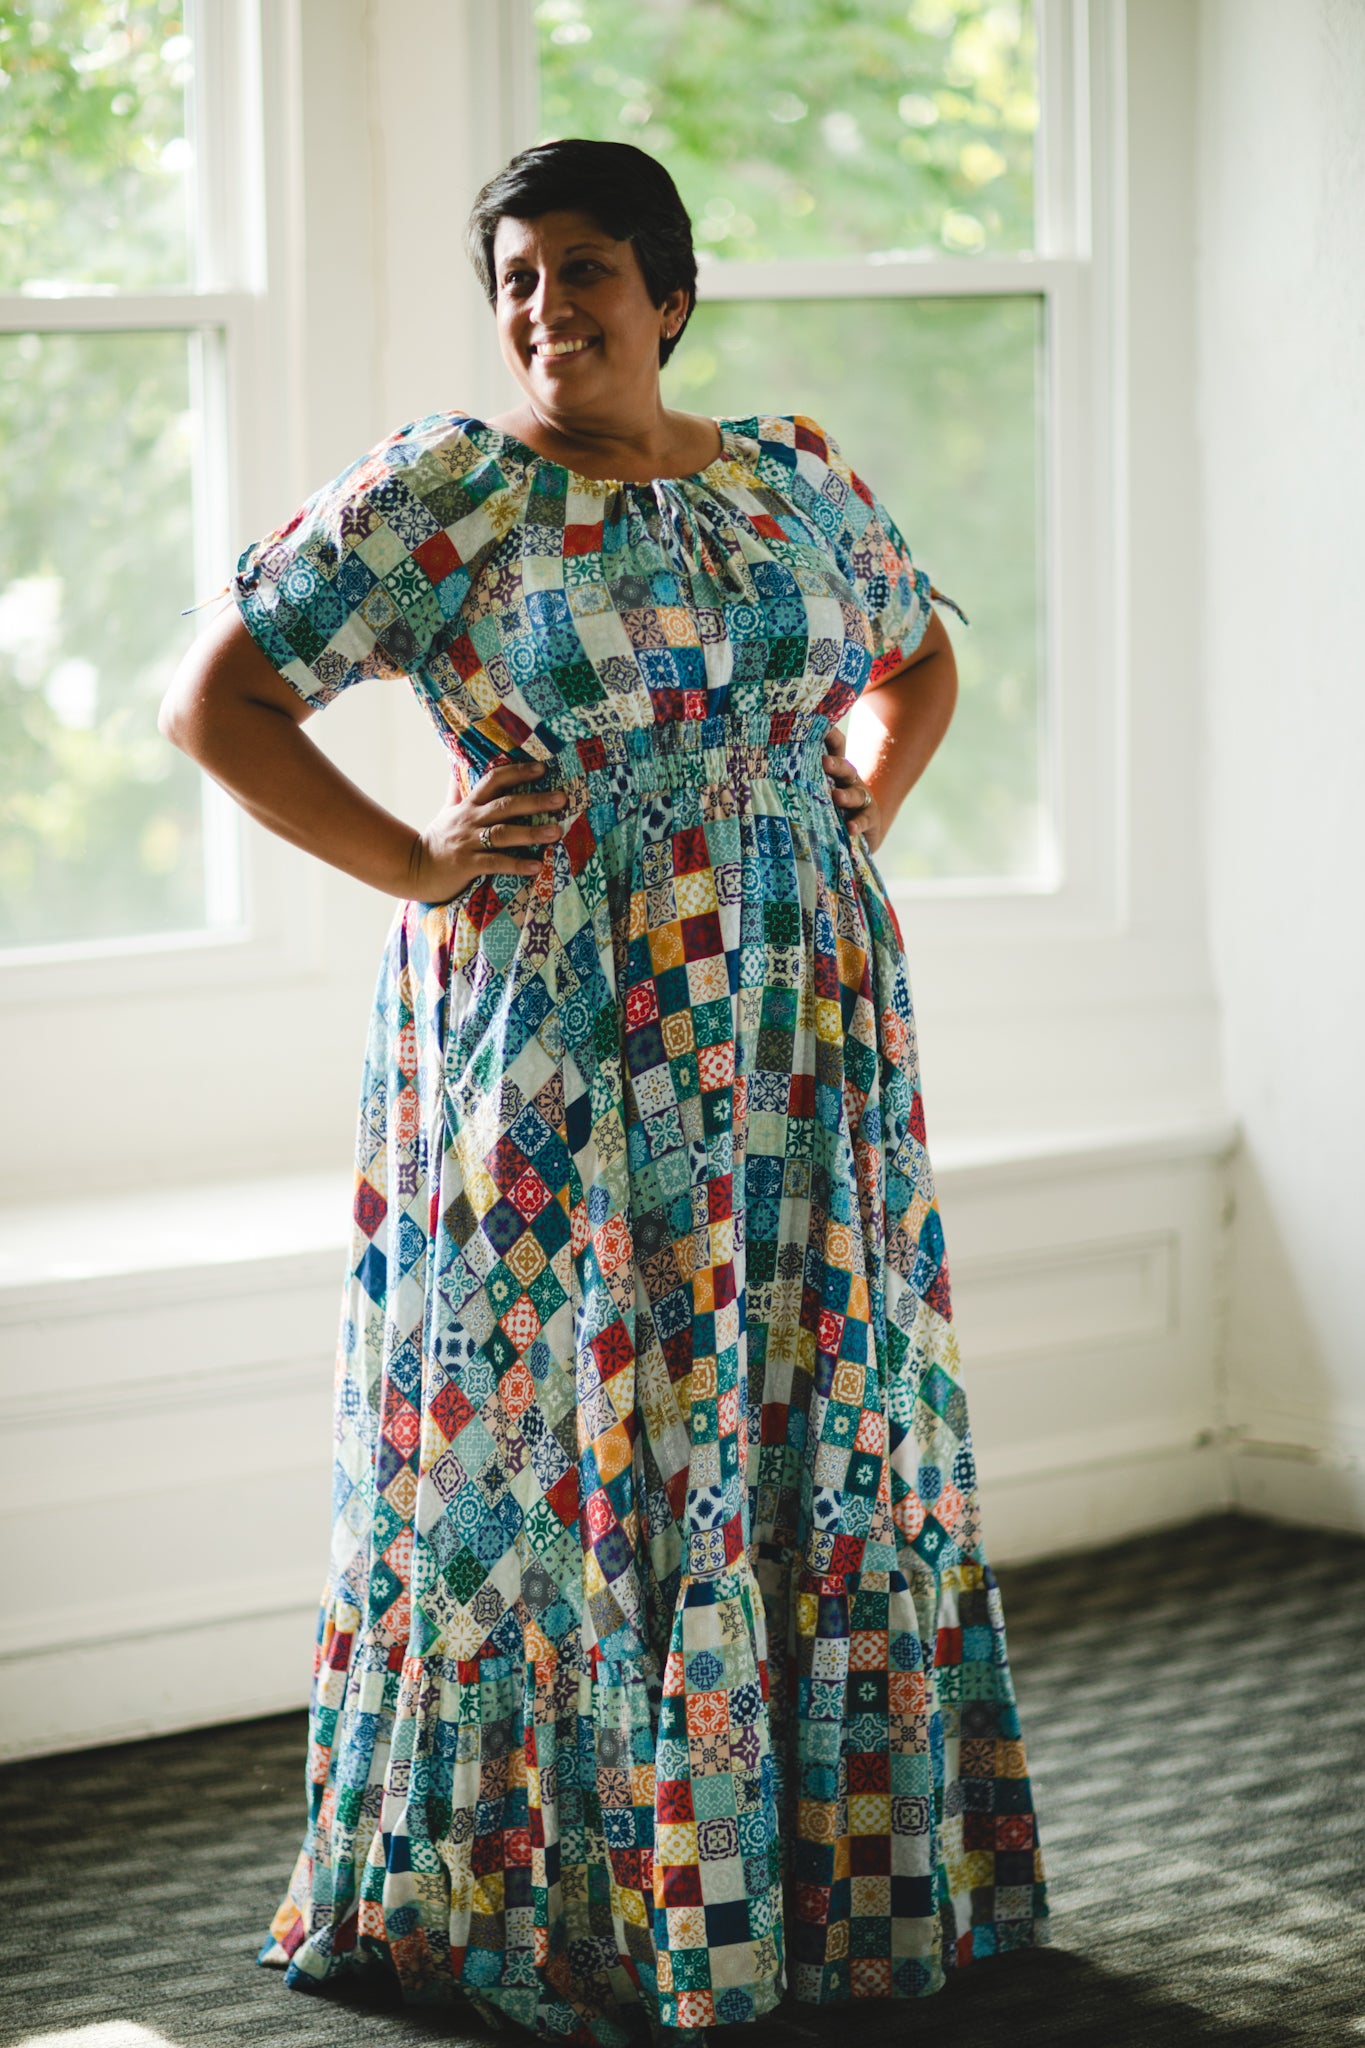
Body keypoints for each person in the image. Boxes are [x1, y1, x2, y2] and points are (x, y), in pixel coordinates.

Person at [160, 137, 1048, 2047]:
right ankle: (564, 1895)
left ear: (667, 291)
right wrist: (413, 862)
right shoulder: (446, 493)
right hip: (561, 1018)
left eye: (581, 268)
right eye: (514, 278)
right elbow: (214, 701)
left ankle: (815, 1883)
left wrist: (858, 802)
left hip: (798, 1023)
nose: (544, 307)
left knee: (803, 1397)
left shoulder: (791, 476)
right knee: (561, 1417)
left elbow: (914, 661)